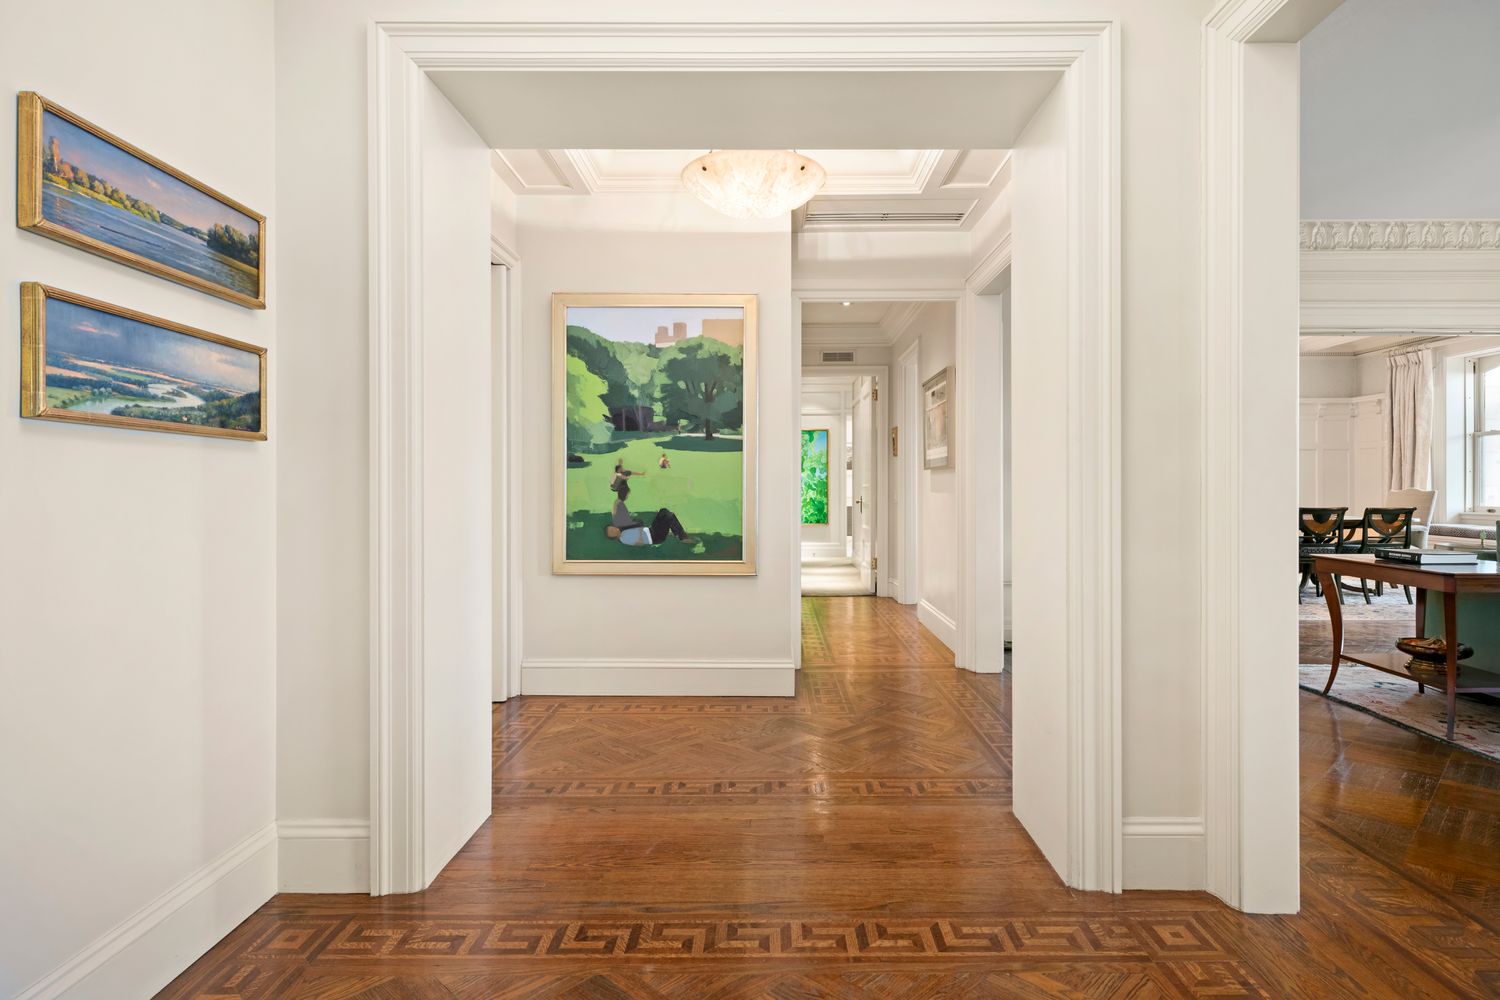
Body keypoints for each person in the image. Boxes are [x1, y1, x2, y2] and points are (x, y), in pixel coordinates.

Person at [606, 477, 695, 547]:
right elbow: (639, 541)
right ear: (615, 537)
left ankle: (677, 533)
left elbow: (636, 527)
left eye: (613, 528)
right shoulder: (624, 537)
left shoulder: (623, 532)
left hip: (650, 530)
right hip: (653, 536)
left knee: (663, 511)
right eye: (613, 531)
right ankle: (682, 537)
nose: (615, 529)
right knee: (668, 516)